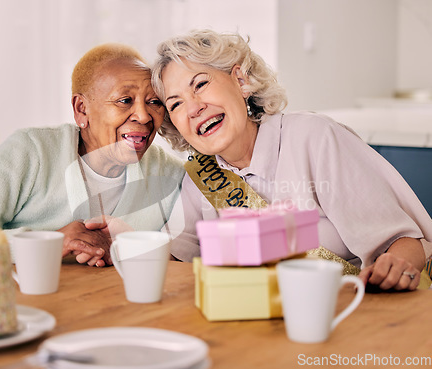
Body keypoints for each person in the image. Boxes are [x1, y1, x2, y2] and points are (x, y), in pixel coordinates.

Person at [151, 29, 432, 291]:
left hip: (348, 313)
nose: (193, 108)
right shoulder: (201, 177)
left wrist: (395, 268)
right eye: (176, 104)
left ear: (240, 80)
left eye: (200, 84)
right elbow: (178, 261)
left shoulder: (315, 137)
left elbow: (404, 244)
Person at [0, 43, 185, 267]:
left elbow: (191, 251)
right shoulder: (32, 151)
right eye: (124, 100)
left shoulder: (171, 175)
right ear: (81, 110)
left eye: (154, 102)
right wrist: (48, 243)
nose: (143, 116)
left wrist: (129, 247)